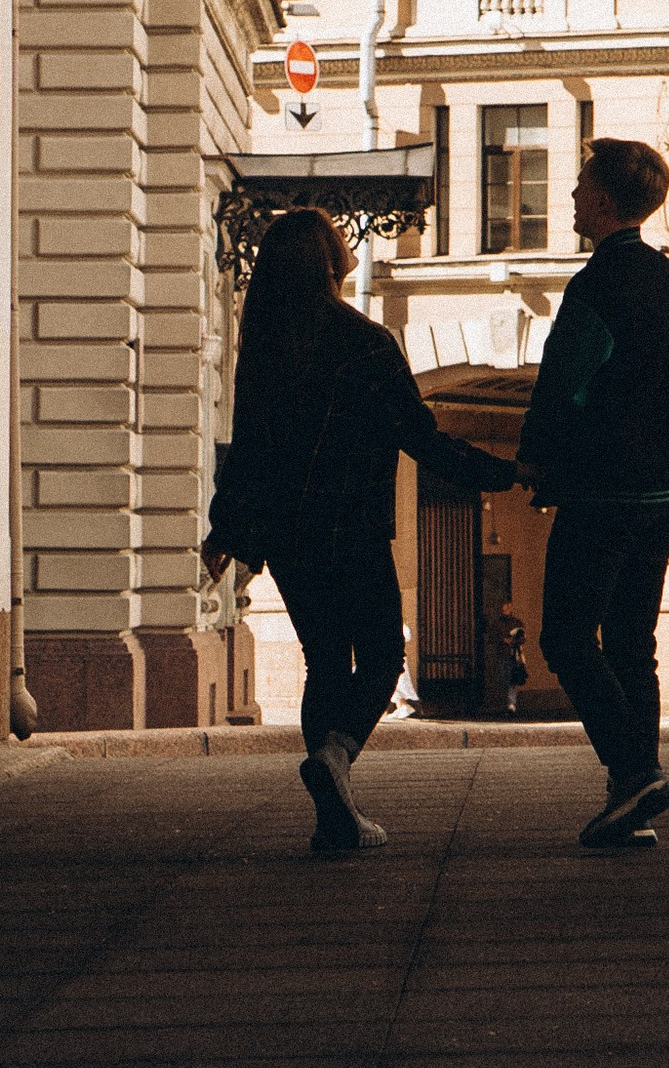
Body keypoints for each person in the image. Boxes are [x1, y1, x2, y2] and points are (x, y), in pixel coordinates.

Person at [204, 206, 516, 855]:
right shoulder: (368, 344)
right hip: (352, 530)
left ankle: (333, 814)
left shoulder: (263, 347)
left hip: (288, 538)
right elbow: (420, 438)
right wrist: (504, 473)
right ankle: (337, 756)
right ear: (332, 265)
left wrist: (226, 532)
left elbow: (250, 447)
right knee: (380, 657)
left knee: (324, 659)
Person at [521, 135, 669, 849]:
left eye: (577, 185)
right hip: (668, 488)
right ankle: (634, 800)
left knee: (565, 636)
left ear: (600, 201)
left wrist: (537, 456)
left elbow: (563, 383)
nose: (568, 196)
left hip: (603, 491)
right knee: (633, 642)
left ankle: (633, 773)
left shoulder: (596, 285)